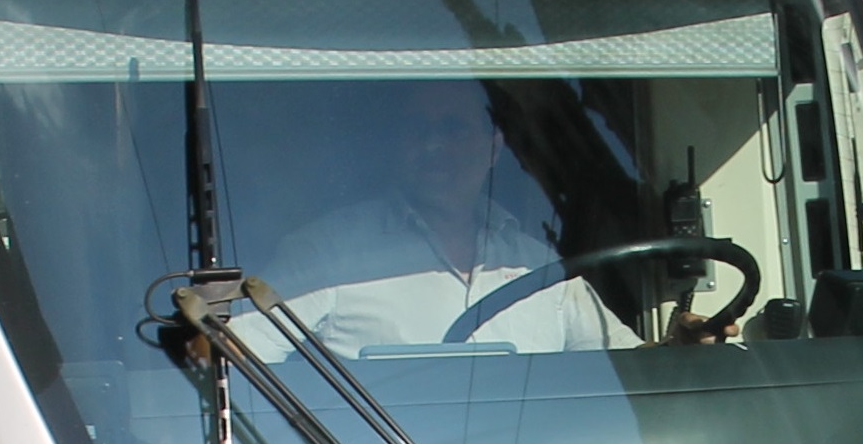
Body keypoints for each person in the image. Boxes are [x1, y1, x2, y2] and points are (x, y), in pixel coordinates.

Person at [265, 79, 631, 355]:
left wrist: (678, 349)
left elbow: (624, 364)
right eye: (417, 127)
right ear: (396, 143)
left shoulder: (538, 265)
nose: (433, 144)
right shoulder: (327, 251)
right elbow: (235, 354)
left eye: (453, 128)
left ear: (493, 147)